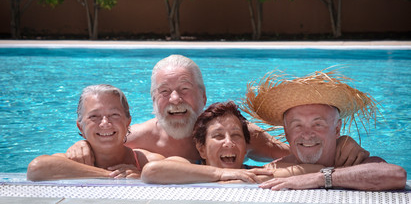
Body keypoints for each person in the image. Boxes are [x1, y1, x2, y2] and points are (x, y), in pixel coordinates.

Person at [66, 55, 368, 166]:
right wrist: (84, 145)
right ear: (153, 100)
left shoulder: (236, 135)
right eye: (164, 92)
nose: (175, 99)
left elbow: (301, 152)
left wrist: (341, 144)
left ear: (203, 96)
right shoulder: (134, 141)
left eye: (185, 89)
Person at [242, 69, 407, 191]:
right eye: (297, 125)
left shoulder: (354, 160)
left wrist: (319, 178)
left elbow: (396, 175)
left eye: (318, 124)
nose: (307, 134)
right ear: (286, 132)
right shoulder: (275, 170)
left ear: (337, 129)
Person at [141, 101, 323, 184]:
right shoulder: (186, 167)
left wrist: (264, 176)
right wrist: (219, 174)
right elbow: (152, 171)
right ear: (201, 149)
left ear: (245, 149)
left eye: (236, 136)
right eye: (218, 136)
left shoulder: (255, 173)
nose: (229, 143)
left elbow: (319, 169)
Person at [27, 84, 164, 181]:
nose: (105, 123)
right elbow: (36, 168)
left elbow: (182, 169)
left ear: (128, 122)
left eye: (114, 115)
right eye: (94, 116)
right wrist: (108, 175)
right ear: (80, 127)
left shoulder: (143, 161)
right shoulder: (73, 160)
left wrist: (142, 176)